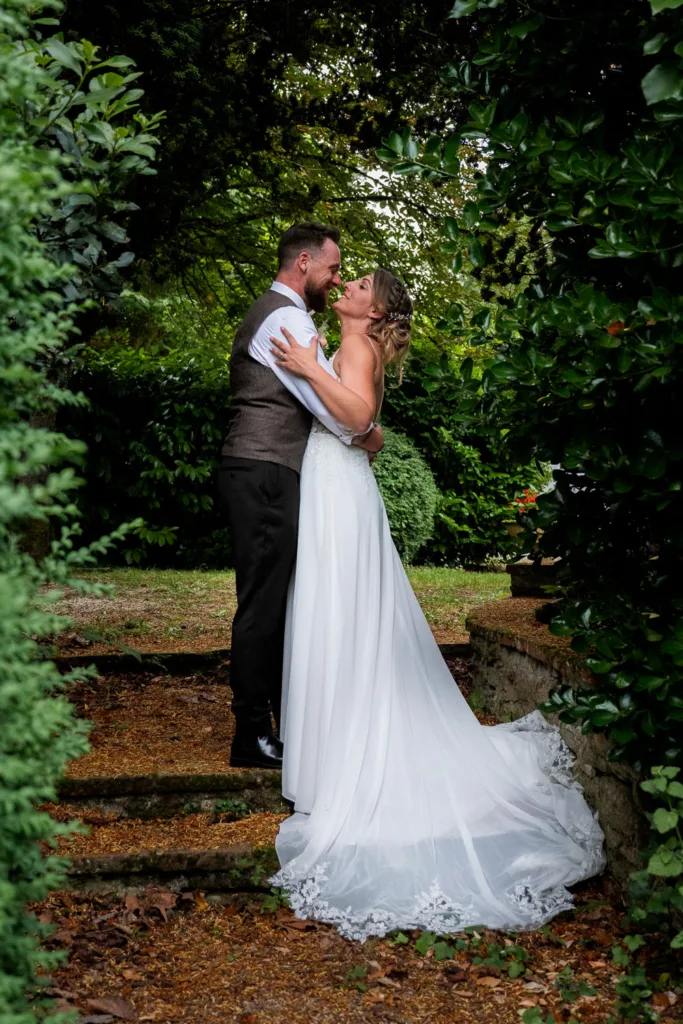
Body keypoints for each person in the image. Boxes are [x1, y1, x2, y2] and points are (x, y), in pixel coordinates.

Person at [267, 267, 606, 940]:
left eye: (360, 284)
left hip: (340, 494)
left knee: (344, 617)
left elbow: (359, 416)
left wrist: (307, 365)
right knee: (343, 619)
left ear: (376, 308)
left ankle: (346, 760)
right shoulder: (357, 347)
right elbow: (369, 432)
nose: (349, 287)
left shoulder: (354, 345)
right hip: (339, 485)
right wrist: (349, 414)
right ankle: (338, 750)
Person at [218, 223, 383, 770]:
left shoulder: (285, 315)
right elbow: (328, 413)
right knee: (263, 601)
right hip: (264, 469)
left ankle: (279, 721)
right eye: (334, 269)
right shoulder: (286, 319)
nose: (337, 280)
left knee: (274, 597)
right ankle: (251, 733)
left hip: (265, 468)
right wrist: (368, 431)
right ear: (305, 262)